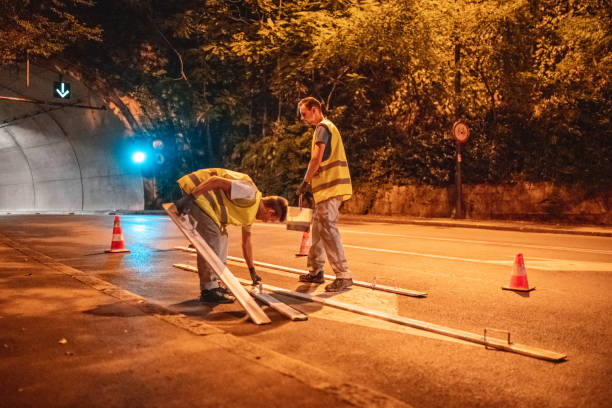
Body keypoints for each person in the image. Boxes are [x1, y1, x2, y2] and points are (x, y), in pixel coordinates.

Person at [174, 168, 288, 303]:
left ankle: (214, 285)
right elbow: (215, 181)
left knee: (222, 239)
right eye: (270, 219)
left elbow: (246, 243)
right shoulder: (249, 193)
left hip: (207, 205)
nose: (266, 221)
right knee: (213, 238)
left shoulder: (250, 213)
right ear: (270, 211)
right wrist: (190, 197)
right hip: (195, 193)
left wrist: (252, 270)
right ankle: (208, 290)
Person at [296, 97, 353, 292]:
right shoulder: (328, 128)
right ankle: (316, 272)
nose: (303, 118)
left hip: (331, 188)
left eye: (304, 113)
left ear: (314, 109)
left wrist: (305, 181)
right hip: (327, 190)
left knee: (327, 228)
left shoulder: (322, 127)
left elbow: (316, 158)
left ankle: (343, 275)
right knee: (318, 229)